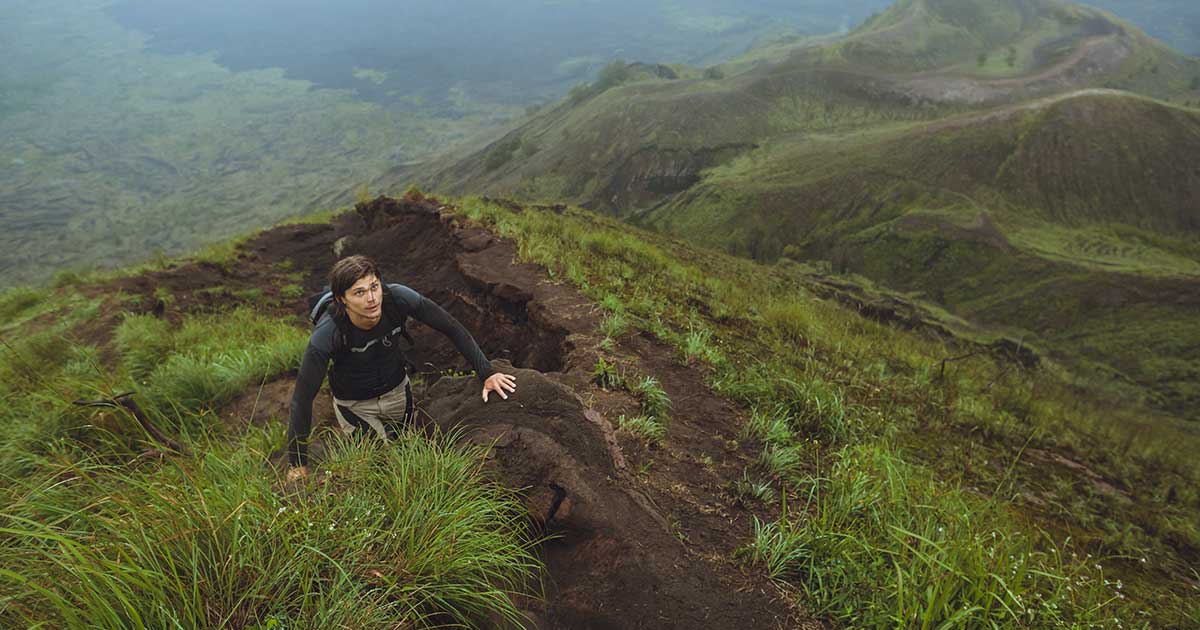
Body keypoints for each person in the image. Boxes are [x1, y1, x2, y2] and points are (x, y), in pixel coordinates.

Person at [285, 255, 515, 480]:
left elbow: (451, 327)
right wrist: (297, 464)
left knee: (409, 450)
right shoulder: (327, 334)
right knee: (380, 466)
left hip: (398, 393)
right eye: (359, 292)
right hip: (355, 406)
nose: (372, 298)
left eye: (374, 287)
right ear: (341, 299)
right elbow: (302, 399)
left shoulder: (398, 299)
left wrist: (487, 372)